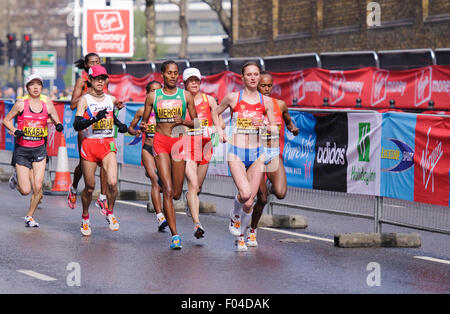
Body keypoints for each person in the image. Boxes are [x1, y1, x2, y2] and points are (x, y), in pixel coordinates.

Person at [212, 61, 277, 251]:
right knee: (245, 194)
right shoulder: (233, 98)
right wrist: (219, 130)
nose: (253, 78)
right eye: (249, 75)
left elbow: (274, 126)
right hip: (237, 152)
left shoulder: (266, 102)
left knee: (249, 203)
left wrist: (267, 127)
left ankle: (240, 236)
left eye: (256, 74)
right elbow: (215, 113)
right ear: (243, 77)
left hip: (257, 153)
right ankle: (234, 214)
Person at [140, 60, 197, 249]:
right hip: (161, 142)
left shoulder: (186, 95)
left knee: (176, 193)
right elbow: (144, 120)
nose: (173, 76)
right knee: (167, 187)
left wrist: (184, 121)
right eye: (169, 73)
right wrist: (143, 125)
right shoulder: (153, 96)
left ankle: (169, 196)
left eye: (175, 73)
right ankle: (175, 236)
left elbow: (197, 123)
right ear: (162, 75)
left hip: (178, 142)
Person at [72, 65, 128, 236]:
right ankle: (85, 217)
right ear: (90, 80)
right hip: (90, 144)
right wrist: (94, 118)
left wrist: (121, 126)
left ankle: (110, 213)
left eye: (103, 78)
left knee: (112, 183)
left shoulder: (110, 99)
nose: (100, 81)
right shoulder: (84, 100)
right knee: (89, 187)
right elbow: (76, 125)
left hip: (108, 143)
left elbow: (112, 117)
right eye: (97, 78)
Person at [3, 74, 64, 227]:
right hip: (22, 150)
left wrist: (57, 124)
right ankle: (17, 177)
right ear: (27, 87)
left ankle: (29, 216)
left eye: (38, 84)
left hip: (39, 150)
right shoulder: (21, 104)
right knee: (25, 190)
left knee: (38, 188)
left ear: (42, 87)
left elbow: (55, 117)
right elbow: (6, 120)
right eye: (32, 84)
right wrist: (15, 130)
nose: (36, 87)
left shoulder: (47, 104)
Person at [247, 71, 300, 247]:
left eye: (270, 86)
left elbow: (288, 121)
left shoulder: (280, 105)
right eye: (263, 85)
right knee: (261, 199)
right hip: (255, 154)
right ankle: (252, 230)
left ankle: (268, 185)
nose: (267, 89)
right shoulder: (250, 106)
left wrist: (293, 128)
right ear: (256, 85)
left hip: (273, 153)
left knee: (281, 193)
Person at [68, 53, 113, 214]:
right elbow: (73, 105)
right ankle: (73, 187)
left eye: (97, 62)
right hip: (85, 125)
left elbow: (108, 99)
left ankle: (102, 197)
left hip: (102, 126)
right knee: (84, 163)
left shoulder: (104, 80)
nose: (94, 64)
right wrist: (89, 92)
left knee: (105, 162)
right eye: (91, 63)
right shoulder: (82, 81)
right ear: (86, 66)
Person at [182, 67, 223, 239]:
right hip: (186, 146)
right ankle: (197, 224)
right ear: (184, 83)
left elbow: (218, 120)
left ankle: (190, 200)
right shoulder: (181, 101)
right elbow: (178, 124)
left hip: (205, 148)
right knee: (192, 185)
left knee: (197, 187)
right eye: (190, 80)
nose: (194, 83)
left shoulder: (210, 100)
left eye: (196, 80)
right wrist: (185, 131)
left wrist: (218, 130)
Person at [127, 80, 168, 232]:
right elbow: (131, 128)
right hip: (148, 148)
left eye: (159, 91)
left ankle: (165, 206)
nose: (156, 94)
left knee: (166, 185)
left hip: (163, 150)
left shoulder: (167, 109)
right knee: (154, 180)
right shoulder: (141, 110)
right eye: (153, 91)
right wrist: (136, 131)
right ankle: (160, 217)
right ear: (148, 93)